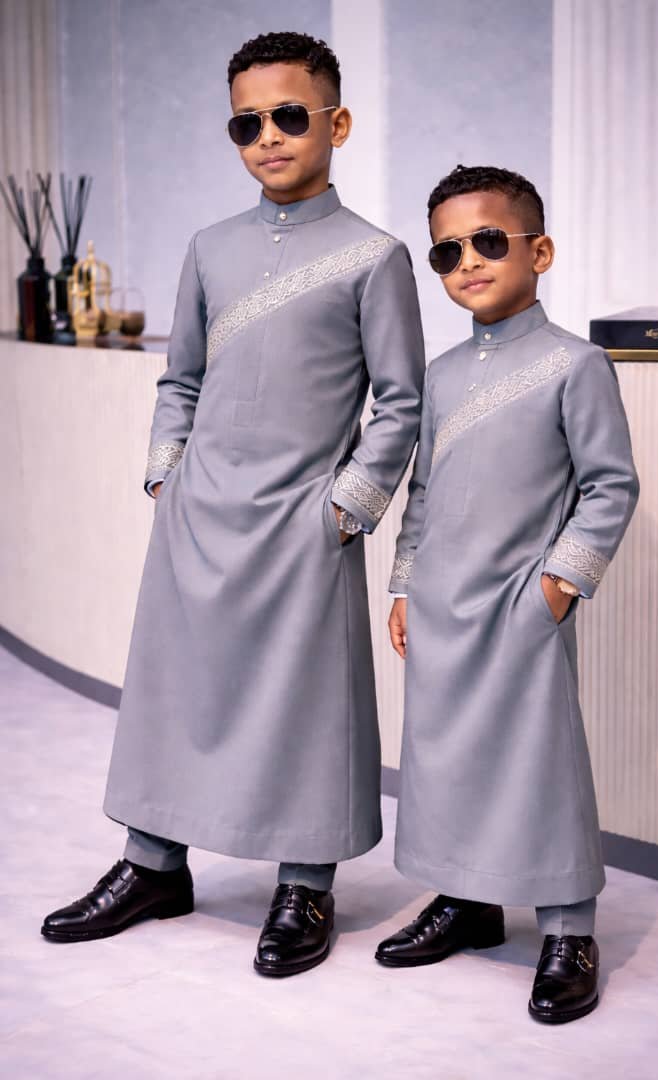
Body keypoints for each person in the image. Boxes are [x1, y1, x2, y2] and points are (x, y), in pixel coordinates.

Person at [42, 31, 425, 978]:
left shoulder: (374, 257)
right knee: (175, 688)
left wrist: (345, 510)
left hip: (304, 523)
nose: (268, 138)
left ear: (337, 123)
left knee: (307, 702)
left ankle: (305, 886)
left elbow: (401, 402)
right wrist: (166, 478)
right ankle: (152, 866)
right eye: (246, 124)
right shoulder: (210, 249)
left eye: (288, 116)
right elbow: (181, 378)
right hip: (198, 515)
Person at [375, 165, 639, 1023]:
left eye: (489, 241)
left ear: (540, 251)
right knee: (446, 758)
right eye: (447, 251)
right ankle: (466, 901)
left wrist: (557, 588)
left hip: (522, 608)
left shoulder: (575, 365)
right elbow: (421, 491)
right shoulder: (441, 374)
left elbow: (610, 485)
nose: (469, 263)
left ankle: (568, 931)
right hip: (441, 607)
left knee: (538, 762)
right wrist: (405, 584)